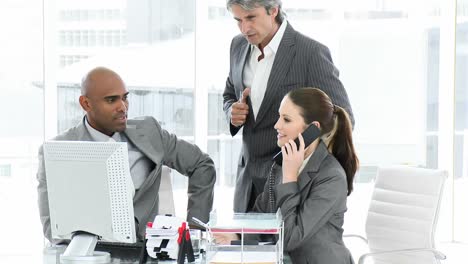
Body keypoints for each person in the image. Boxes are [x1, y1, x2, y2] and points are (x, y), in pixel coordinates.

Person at [37, 67, 216, 242]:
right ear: (86, 104)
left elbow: (201, 165)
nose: (122, 107)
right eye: (111, 100)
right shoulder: (58, 151)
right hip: (93, 253)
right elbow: (52, 227)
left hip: (148, 253)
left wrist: (194, 230)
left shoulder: (149, 132)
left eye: (125, 98)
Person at [223, 0, 355, 213]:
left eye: (251, 18)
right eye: (238, 20)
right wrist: (232, 111)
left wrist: (293, 157)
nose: (244, 28)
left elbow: (342, 116)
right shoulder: (237, 46)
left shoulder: (310, 53)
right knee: (240, 245)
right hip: (247, 181)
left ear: (273, 10)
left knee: (286, 245)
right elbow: (230, 93)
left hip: (290, 182)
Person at [216, 87, 358, 263]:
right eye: (279, 117)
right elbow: (261, 217)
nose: (277, 125)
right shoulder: (281, 163)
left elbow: (290, 238)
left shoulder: (332, 176)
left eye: (287, 119)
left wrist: (289, 177)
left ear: (313, 129)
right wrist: (236, 237)